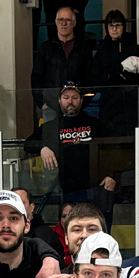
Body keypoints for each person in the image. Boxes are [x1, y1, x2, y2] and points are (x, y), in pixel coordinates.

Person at [37, 83, 121, 214]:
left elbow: (114, 149)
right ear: (59, 100)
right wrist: (42, 148)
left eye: (74, 97)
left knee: (100, 232)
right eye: (66, 97)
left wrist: (112, 175)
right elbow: (28, 143)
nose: (70, 101)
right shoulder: (50, 127)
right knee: (74, 232)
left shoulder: (95, 123)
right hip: (67, 191)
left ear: (81, 100)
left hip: (98, 188)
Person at [92, 10, 139, 137]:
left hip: (133, 106)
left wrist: (127, 78)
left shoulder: (135, 49)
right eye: (111, 26)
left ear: (123, 27)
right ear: (106, 28)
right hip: (110, 107)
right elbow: (95, 79)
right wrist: (113, 77)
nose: (114, 29)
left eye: (118, 25)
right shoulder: (101, 52)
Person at [32, 7, 95, 119]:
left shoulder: (84, 49)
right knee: (51, 136)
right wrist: (42, 103)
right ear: (56, 23)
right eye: (61, 20)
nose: (64, 23)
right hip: (51, 107)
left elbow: (90, 78)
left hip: (76, 107)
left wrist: (82, 102)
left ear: (74, 23)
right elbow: (36, 78)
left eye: (68, 20)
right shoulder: (46, 48)